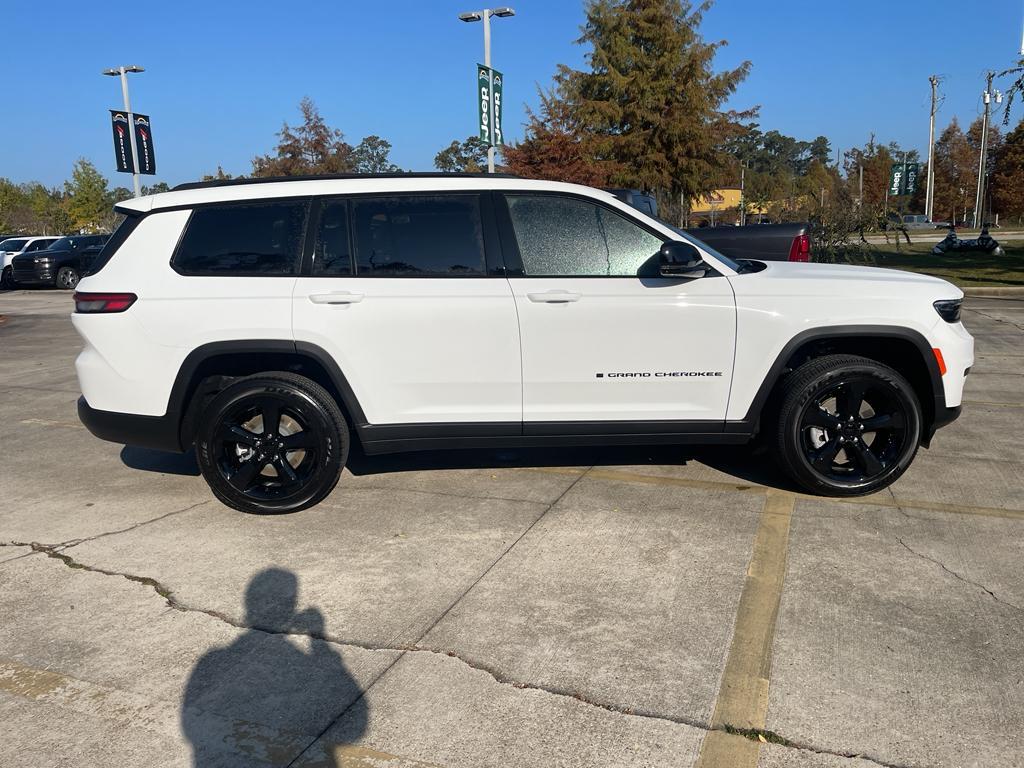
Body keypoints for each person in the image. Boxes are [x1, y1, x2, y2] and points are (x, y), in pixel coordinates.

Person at [181, 568, 366, 766]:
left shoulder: (212, 659)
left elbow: (190, 724)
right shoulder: (216, 659)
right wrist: (320, 641)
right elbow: (358, 727)